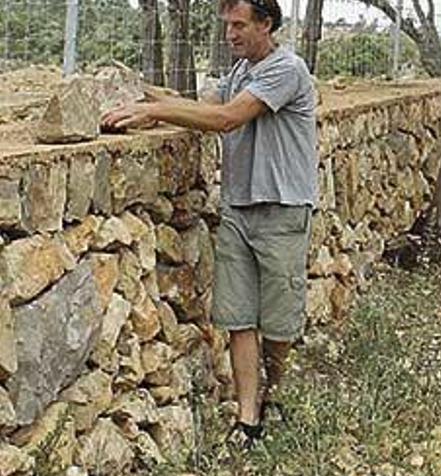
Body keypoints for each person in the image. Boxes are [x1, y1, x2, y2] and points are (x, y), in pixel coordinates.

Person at [103, 0, 317, 446]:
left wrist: (154, 112)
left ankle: (275, 397)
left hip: (281, 210)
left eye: (240, 25)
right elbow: (201, 104)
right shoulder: (240, 73)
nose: (231, 34)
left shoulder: (286, 69)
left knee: (278, 326)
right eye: (227, 26)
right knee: (239, 317)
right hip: (239, 209)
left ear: (267, 24)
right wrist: (136, 91)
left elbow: (224, 119)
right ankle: (248, 419)